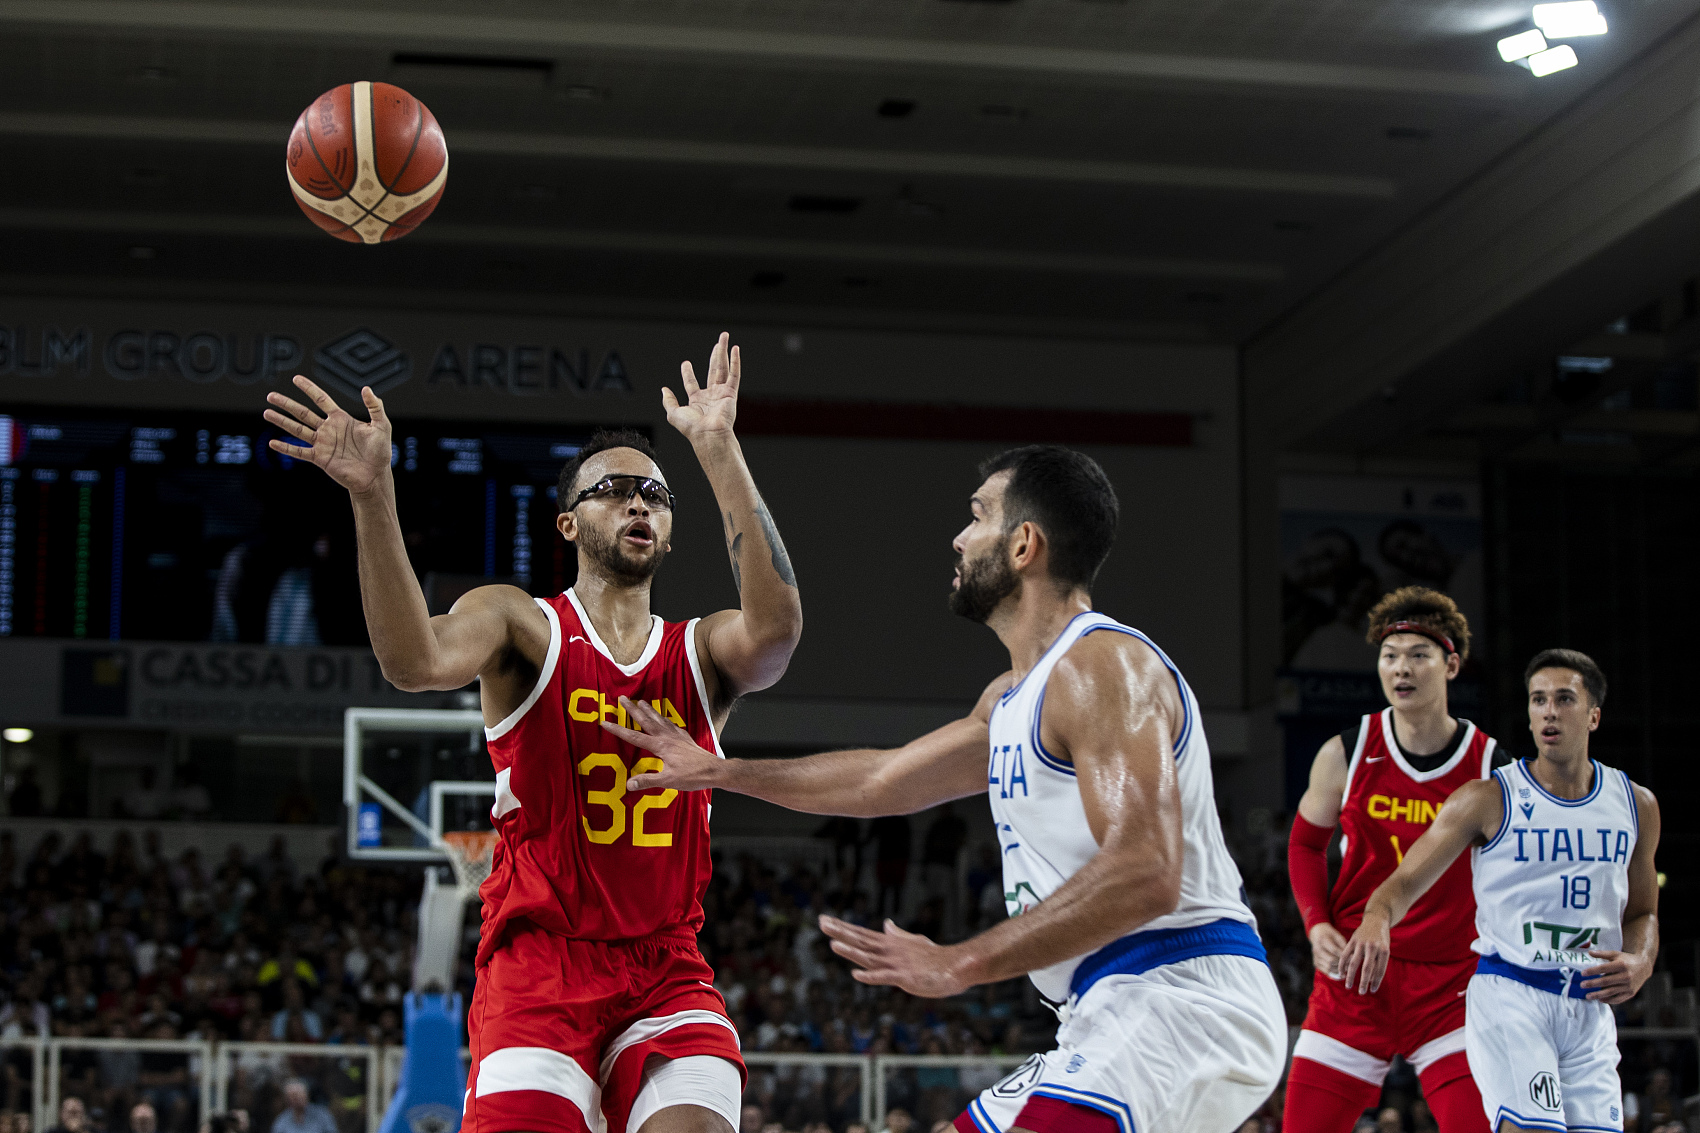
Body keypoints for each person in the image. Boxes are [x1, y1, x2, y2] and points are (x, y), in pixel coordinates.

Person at [604, 445, 1287, 1133]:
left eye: (978, 516)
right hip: (1103, 1006)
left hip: (1180, 993)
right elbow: (881, 780)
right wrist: (719, 770)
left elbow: (1147, 869)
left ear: (1024, 544)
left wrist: (962, 961)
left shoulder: (1102, 665)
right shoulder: (1012, 699)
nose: (959, 537)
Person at [262, 332, 802, 1133]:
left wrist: (719, 450)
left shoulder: (700, 651)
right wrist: (373, 496)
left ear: (670, 528)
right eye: (614, 489)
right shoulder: (521, 623)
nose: (639, 503)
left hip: (664, 967)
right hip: (539, 965)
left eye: (655, 494)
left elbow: (778, 632)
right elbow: (413, 661)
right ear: (567, 523)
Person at [1340, 649, 1661, 1133]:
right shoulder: (1487, 798)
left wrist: (1641, 960)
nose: (1549, 712)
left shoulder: (1636, 805)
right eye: (1538, 700)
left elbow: (1643, 913)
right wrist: (1376, 917)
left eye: (1564, 699)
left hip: (1589, 1007)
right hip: (1514, 995)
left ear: (1593, 716)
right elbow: (1404, 881)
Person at [1285, 587, 1501, 1133]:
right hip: (1354, 978)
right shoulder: (1347, 751)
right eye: (1390, 655)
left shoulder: (1491, 767)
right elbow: (1305, 846)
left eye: (1418, 655)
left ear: (1451, 665)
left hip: (1450, 987)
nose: (1401, 668)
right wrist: (1315, 925)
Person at [268, 1081, 335, 1133]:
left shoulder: (322, 1114)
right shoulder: (282, 1120)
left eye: (300, 1095)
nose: (297, 1099)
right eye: (293, 1096)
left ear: (307, 1095)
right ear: (287, 1100)